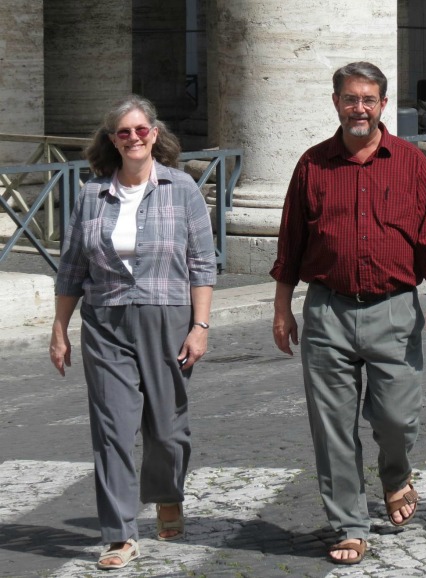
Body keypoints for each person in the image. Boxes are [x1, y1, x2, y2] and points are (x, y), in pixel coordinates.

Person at [270, 62, 426, 565]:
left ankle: (395, 475)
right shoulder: (312, 165)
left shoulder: (411, 163)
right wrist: (283, 308)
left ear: (383, 105)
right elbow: (291, 244)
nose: (360, 109)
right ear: (336, 103)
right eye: (351, 99)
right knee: (332, 427)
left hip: (395, 309)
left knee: (396, 418)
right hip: (328, 310)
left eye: (369, 100)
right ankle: (348, 524)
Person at [49, 95, 216, 570]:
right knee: (112, 430)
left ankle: (166, 494)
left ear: (155, 135)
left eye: (142, 130)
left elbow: (202, 264)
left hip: (168, 318)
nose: (135, 138)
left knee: (167, 430)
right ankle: (120, 534)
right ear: (112, 141)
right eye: (124, 132)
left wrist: (199, 327)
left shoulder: (181, 188)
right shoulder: (90, 195)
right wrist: (60, 328)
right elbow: (71, 270)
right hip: (105, 321)